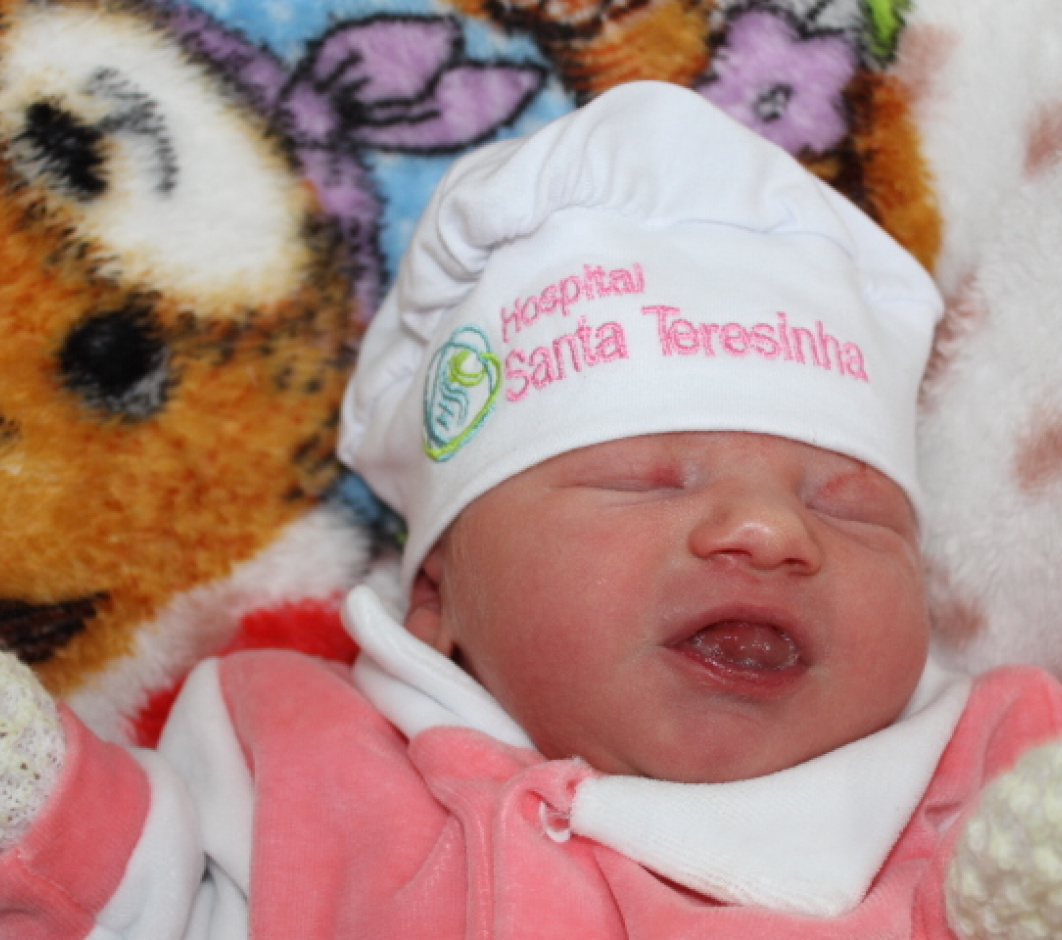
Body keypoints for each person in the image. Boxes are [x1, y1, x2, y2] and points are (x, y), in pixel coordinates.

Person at [0, 80, 1059, 940]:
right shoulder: (297, 758)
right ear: (435, 597)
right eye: (650, 480)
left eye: (853, 507)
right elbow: (120, 897)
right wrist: (33, 801)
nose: (773, 532)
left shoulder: (985, 793)